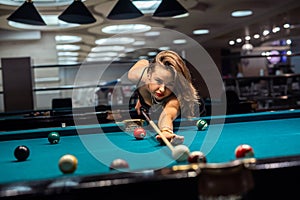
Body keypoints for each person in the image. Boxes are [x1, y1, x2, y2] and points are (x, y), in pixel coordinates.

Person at [127, 50, 203, 145]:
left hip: (193, 111)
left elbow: (167, 115)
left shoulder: (174, 98)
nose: (162, 89)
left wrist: (166, 131)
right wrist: (141, 95)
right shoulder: (136, 76)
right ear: (149, 75)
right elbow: (143, 61)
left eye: (169, 84)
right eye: (158, 81)